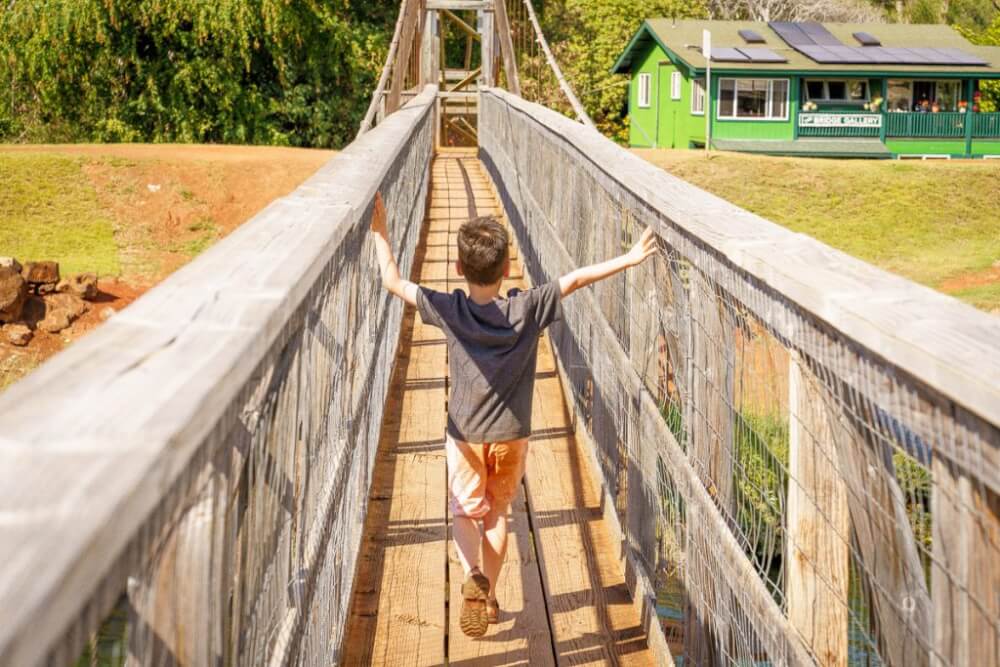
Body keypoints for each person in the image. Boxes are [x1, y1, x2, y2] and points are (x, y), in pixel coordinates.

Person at [369, 192, 657, 637]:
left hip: (464, 433)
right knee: (498, 515)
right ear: (506, 269)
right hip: (512, 434)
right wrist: (631, 257)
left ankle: (471, 576)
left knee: (465, 511)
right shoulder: (527, 308)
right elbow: (577, 280)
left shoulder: (449, 309)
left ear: (460, 269)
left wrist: (380, 233)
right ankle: (491, 594)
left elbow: (392, 282)